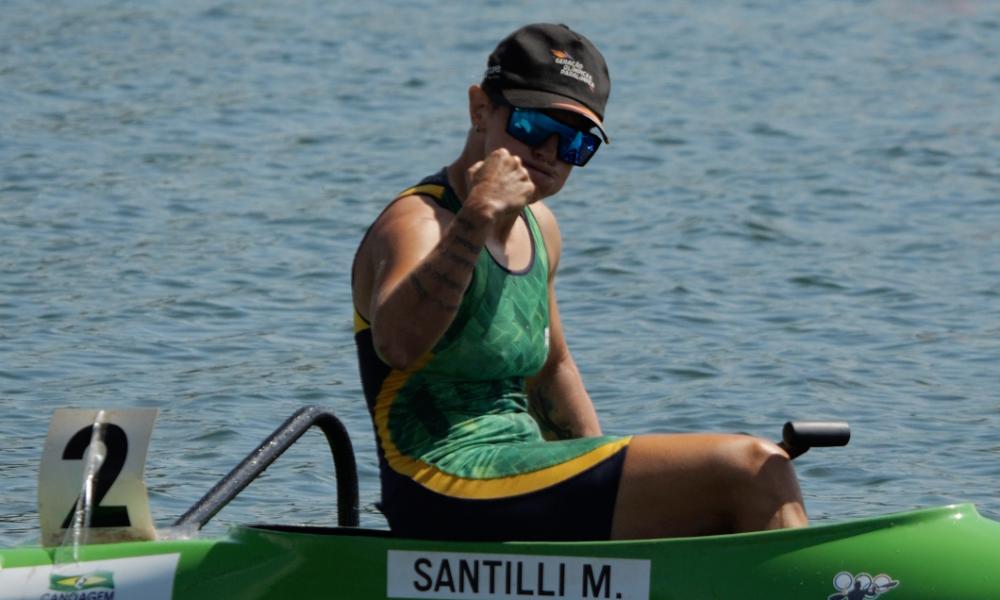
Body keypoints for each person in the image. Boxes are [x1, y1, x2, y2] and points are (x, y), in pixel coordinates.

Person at [351, 23, 806, 541]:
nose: (548, 151)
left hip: (515, 472)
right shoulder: (417, 222)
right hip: (436, 482)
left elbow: (551, 371)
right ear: (480, 110)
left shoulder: (539, 227)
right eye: (529, 125)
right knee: (751, 468)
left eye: (573, 142)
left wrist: (603, 471)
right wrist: (477, 214)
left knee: (744, 480)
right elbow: (398, 344)